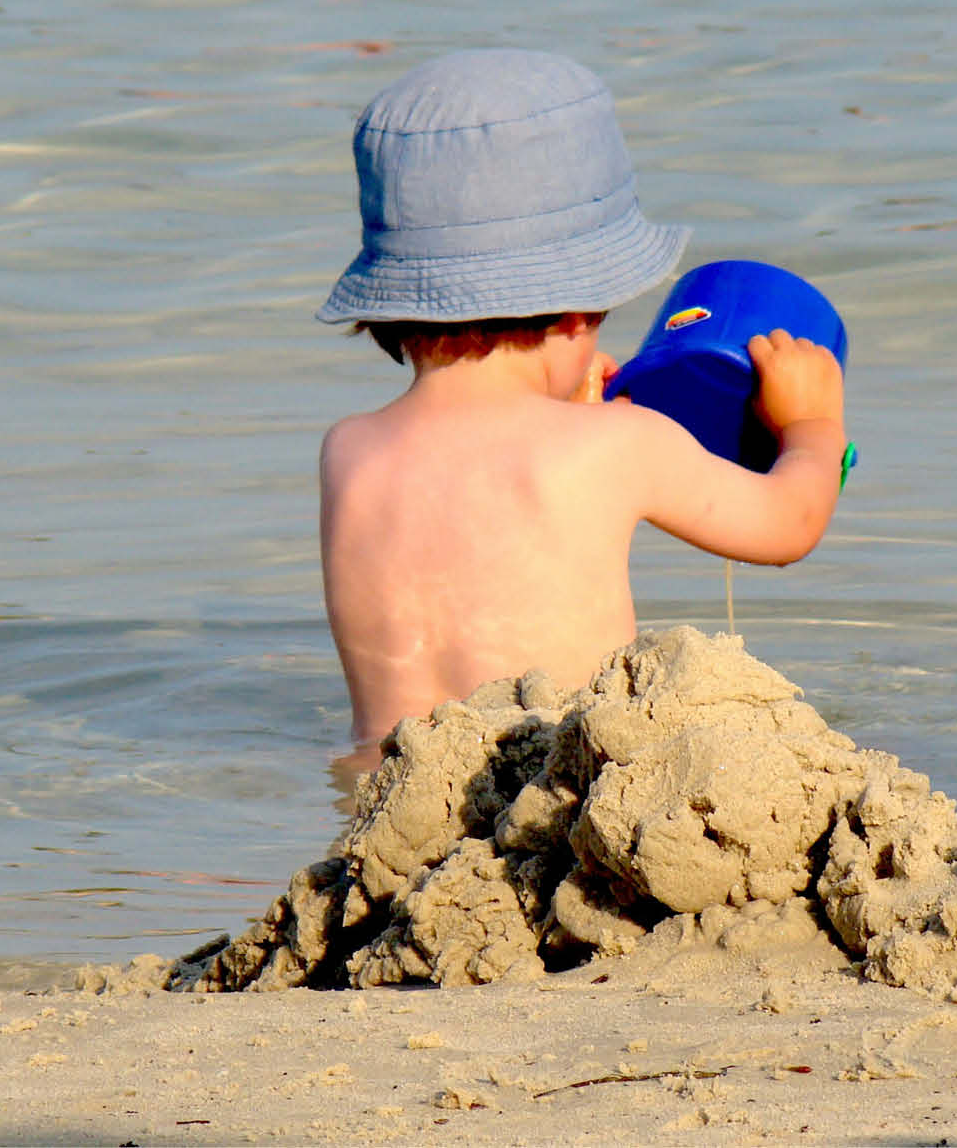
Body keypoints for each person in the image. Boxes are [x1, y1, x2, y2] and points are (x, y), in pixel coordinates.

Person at [316, 49, 846, 750]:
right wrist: (810, 423)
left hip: (380, 815)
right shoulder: (619, 445)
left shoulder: (348, 450)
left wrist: (571, 410)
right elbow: (788, 524)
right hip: (549, 808)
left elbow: (480, 504)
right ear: (576, 312)